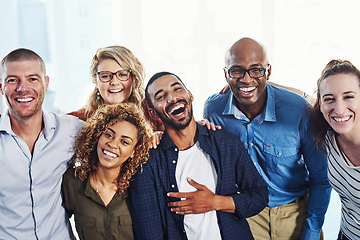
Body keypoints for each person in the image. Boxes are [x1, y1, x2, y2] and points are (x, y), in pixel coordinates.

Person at [203, 37, 331, 240]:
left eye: (256, 69)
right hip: (246, 215)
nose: (246, 79)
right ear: (226, 74)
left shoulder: (298, 111)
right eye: (236, 70)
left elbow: (321, 179)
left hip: (295, 214)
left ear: (268, 72)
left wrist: (312, 231)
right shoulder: (214, 110)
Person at [129, 71, 268, 240]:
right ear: (152, 113)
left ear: (190, 95)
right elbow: (148, 231)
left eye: (177, 89)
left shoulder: (226, 143)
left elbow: (260, 196)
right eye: (161, 96)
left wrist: (215, 202)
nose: (172, 98)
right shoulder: (147, 162)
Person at [0, 48, 83, 239]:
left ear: (46, 84)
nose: (23, 88)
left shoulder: (72, 130)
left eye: (32, 79)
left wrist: (155, 135)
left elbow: (119, 140)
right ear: (1, 87)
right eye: (13, 80)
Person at [62, 102, 153, 240]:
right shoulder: (72, 182)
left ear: (134, 152)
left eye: (125, 142)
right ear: (98, 136)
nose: (113, 144)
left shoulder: (139, 187)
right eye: (109, 135)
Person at [312, 59, 360, 240]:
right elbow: (300, 96)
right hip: (345, 235)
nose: (339, 109)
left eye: (348, 96)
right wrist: (254, 85)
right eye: (329, 99)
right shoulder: (328, 135)